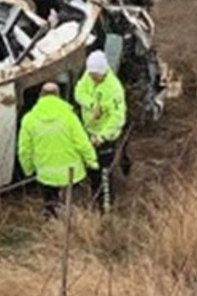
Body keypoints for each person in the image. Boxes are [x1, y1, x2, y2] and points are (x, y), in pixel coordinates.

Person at [18, 82, 98, 217]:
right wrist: (92, 161)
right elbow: (82, 142)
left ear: (40, 96)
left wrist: (28, 169)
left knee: (51, 209)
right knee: (75, 210)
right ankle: (77, 231)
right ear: (59, 96)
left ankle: (53, 230)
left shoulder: (29, 119)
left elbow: (24, 150)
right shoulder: (69, 117)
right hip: (73, 173)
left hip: (46, 175)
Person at [74, 50, 127, 209]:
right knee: (92, 168)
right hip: (90, 131)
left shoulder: (114, 89)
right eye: (90, 74)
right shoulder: (88, 76)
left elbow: (117, 118)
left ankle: (106, 206)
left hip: (105, 136)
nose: (92, 78)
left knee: (104, 172)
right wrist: (92, 104)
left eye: (95, 75)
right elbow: (79, 92)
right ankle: (94, 197)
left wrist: (102, 137)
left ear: (103, 72)